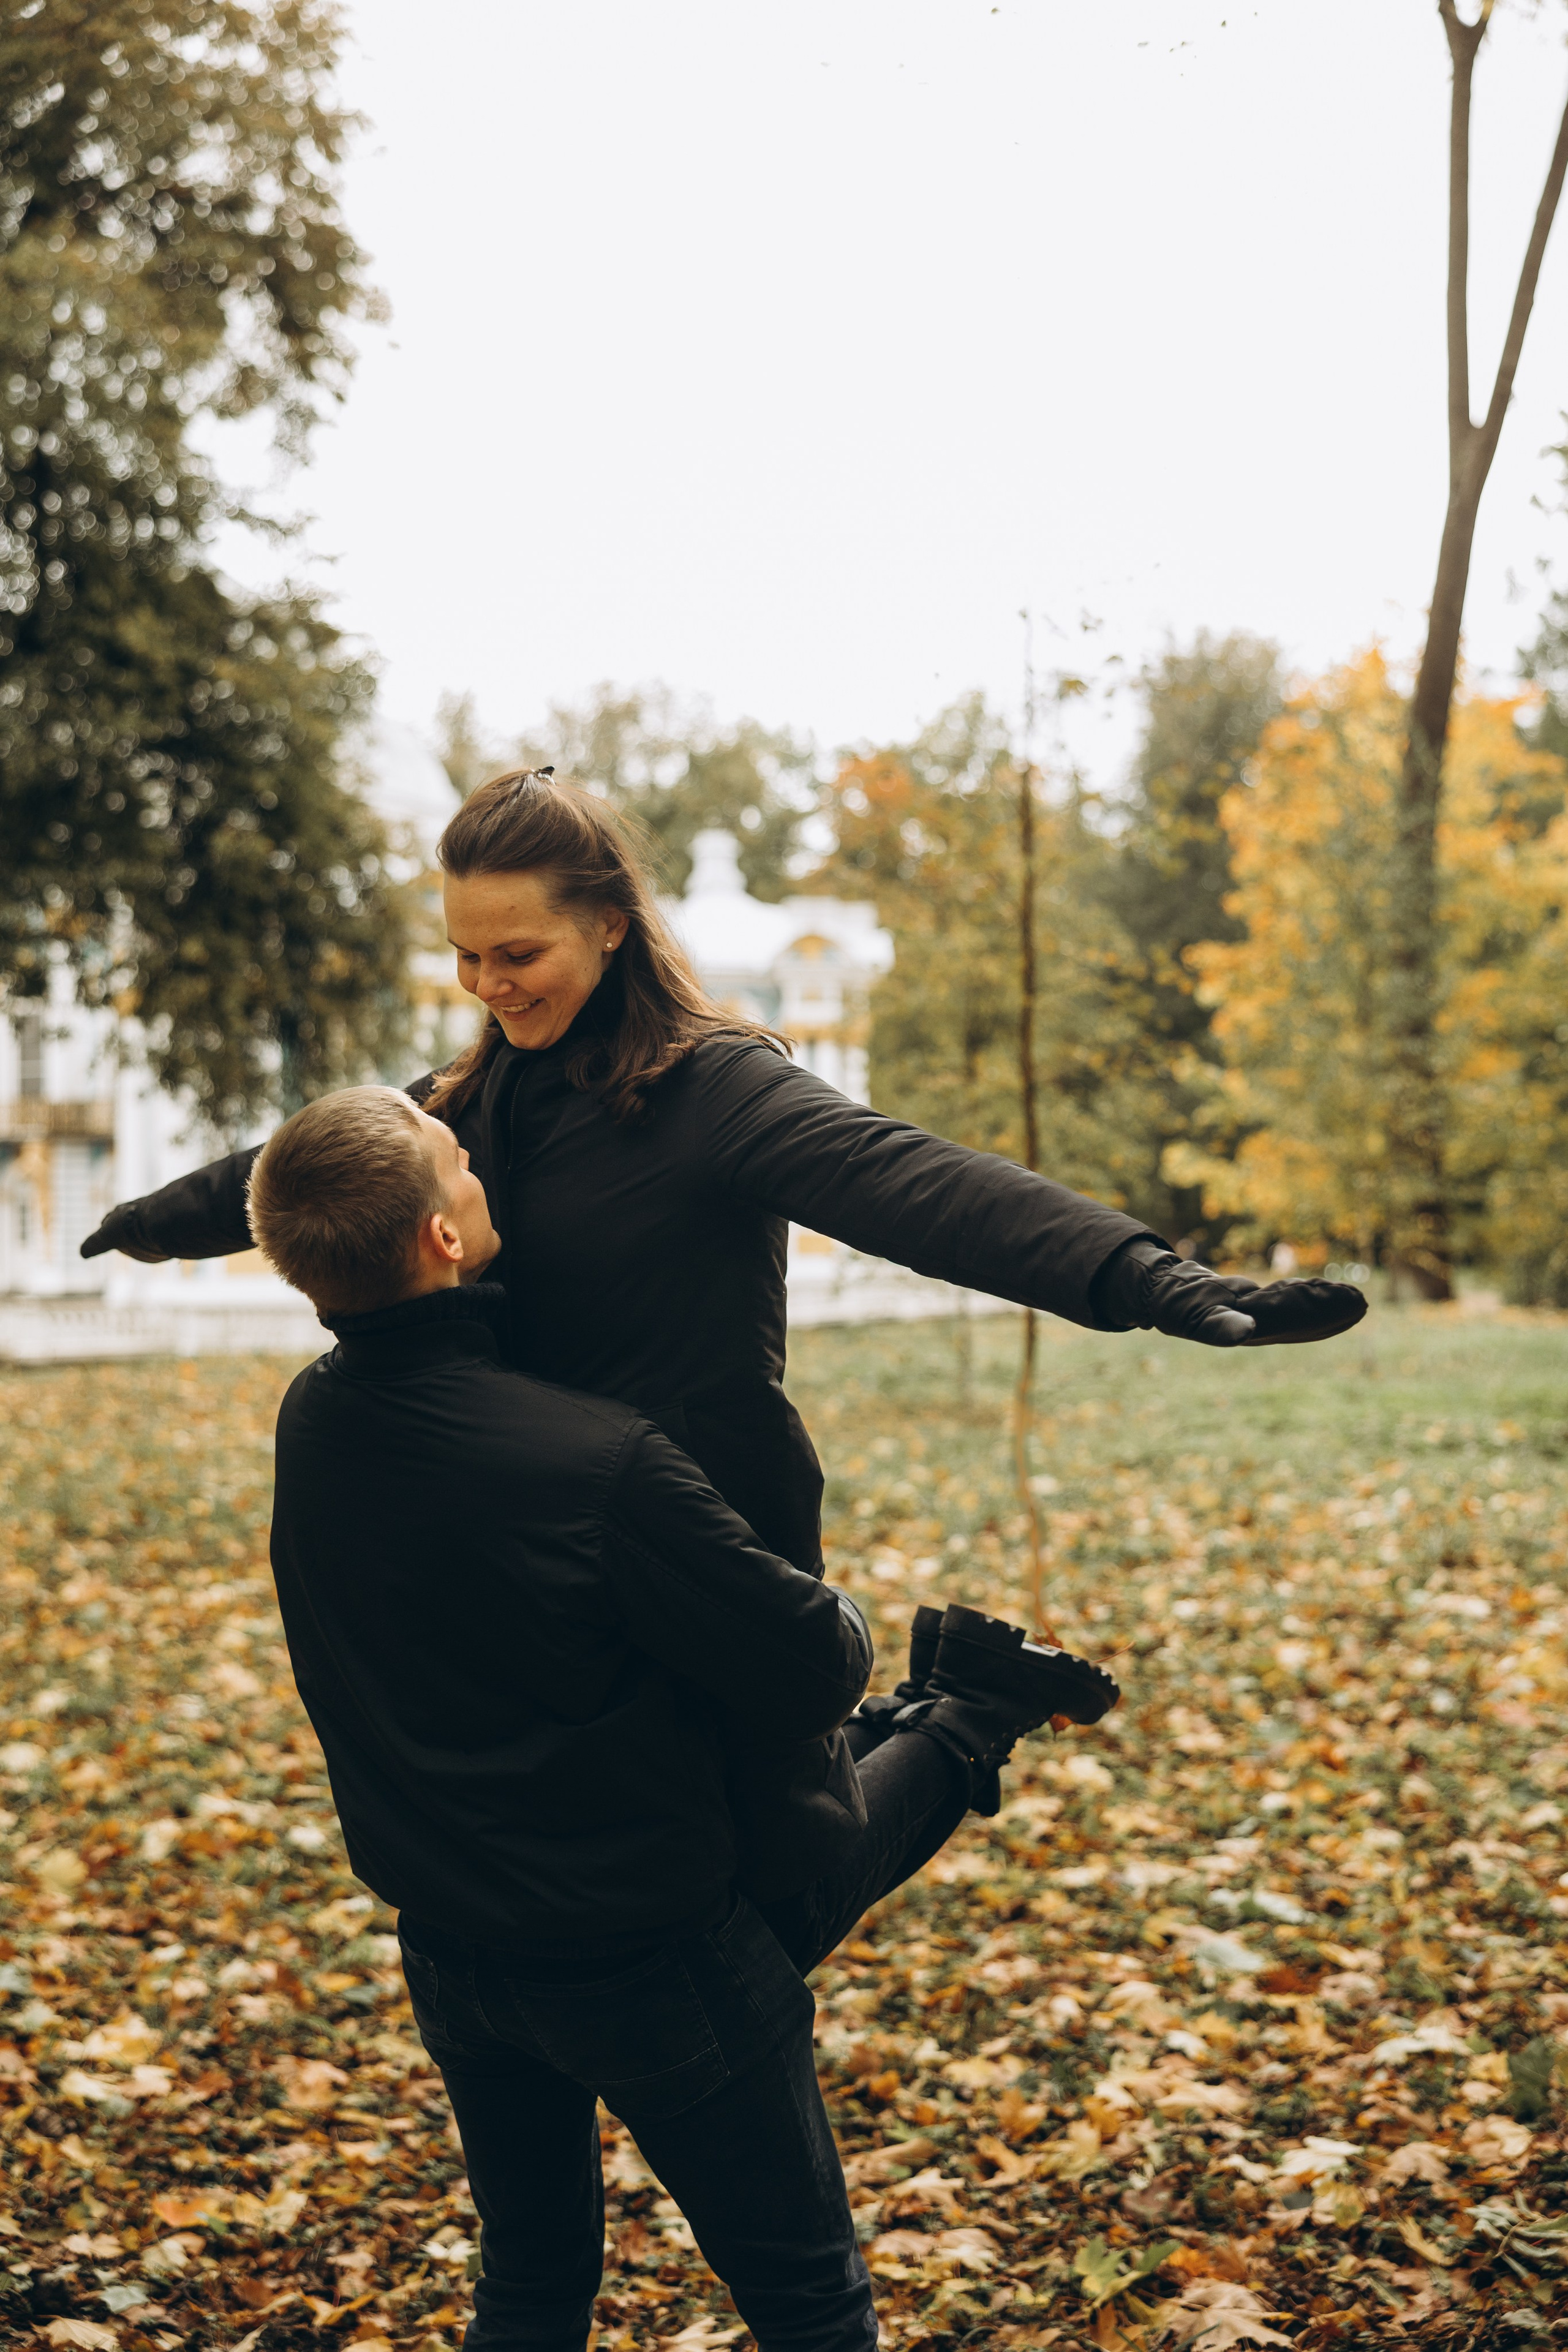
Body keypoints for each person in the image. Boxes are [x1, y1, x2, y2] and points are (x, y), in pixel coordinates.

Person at [249, 1085, 1120, 2352]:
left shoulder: (313, 1422)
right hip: (646, 1957)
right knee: (808, 2304)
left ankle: (960, 1703)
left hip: (451, 1950)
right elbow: (815, 1665)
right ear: (442, 1238)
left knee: (531, 2286)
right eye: (460, 1163)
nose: (480, 1166)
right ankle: (966, 1704)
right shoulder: (598, 1464)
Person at [83, 771, 1365, 1611]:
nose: (488, 982)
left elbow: (915, 1185)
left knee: (752, 1889)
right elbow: (302, 1172)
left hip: (711, 1551)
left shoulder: (715, 1092)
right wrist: (149, 1226)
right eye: (465, 955)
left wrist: (1148, 1280)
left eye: (516, 952)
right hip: (544, 1545)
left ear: (608, 925)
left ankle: (947, 1734)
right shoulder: (469, 1099)